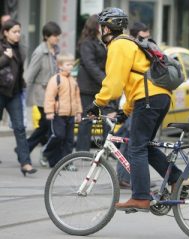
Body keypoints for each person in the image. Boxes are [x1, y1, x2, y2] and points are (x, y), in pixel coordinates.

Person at [87, 7, 182, 212]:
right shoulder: (131, 43)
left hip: (148, 99)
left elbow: (113, 84)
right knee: (144, 145)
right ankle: (176, 179)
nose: (100, 31)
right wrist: (127, 110)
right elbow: (136, 79)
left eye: (101, 27)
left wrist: (97, 104)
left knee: (135, 147)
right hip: (159, 97)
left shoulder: (118, 45)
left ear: (107, 28)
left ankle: (140, 197)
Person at [116, 21, 151, 189]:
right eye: (144, 36)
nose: (147, 40)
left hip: (142, 102)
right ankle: (125, 177)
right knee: (133, 141)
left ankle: (131, 180)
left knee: (133, 142)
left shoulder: (141, 50)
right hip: (138, 102)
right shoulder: (137, 50)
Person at [0, 19, 37, 176]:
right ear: (5, 33)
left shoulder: (20, 48)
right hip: (1, 91)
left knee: (20, 128)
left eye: (19, 31)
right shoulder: (2, 47)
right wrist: (5, 58)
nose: (17, 34)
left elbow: (20, 69)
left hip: (14, 93)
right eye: (14, 32)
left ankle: (25, 163)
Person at [25, 21, 61, 166]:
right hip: (42, 94)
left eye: (58, 35)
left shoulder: (56, 50)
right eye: (54, 35)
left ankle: (24, 148)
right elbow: (30, 74)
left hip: (54, 94)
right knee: (46, 124)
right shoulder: (40, 52)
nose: (57, 38)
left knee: (44, 125)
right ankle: (26, 149)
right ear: (46, 36)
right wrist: (22, 93)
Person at [43, 53, 82, 168]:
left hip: (70, 114)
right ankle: (46, 152)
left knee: (69, 140)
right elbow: (49, 96)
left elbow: (77, 98)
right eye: (68, 64)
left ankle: (67, 163)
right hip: (58, 114)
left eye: (72, 64)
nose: (71, 66)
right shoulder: (56, 79)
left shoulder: (73, 81)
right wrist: (49, 111)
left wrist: (78, 112)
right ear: (60, 65)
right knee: (58, 135)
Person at [75, 14, 108, 152]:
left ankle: (108, 150)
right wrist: (105, 80)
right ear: (95, 26)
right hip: (88, 87)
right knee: (87, 121)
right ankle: (82, 152)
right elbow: (90, 65)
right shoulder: (87, 42)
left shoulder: (98, 41)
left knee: (107, 119)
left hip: (99, 86)